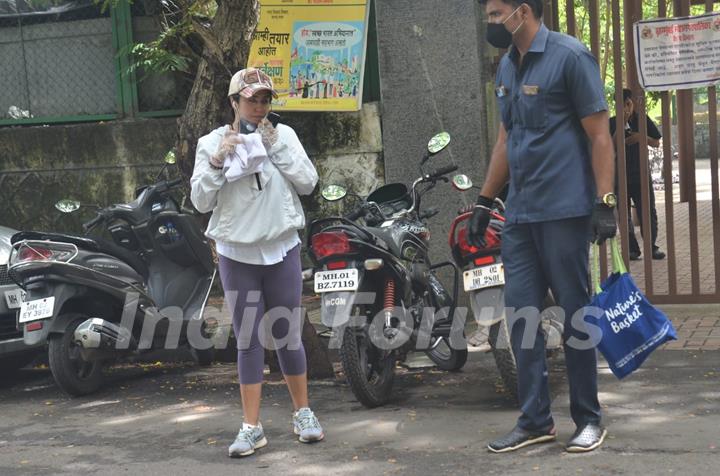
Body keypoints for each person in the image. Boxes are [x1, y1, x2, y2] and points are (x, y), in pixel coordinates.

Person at [471, 0, 616, 453]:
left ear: (523, 11)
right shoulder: (506, 69)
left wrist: (604, 201)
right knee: (522, 317)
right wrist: (484, 199)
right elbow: (505, 139)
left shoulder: (570, 57)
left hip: (565, 210)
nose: (490, 22)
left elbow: (599, 134)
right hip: (520, 214)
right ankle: (535, 419)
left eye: (496, 14)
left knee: (575, 315)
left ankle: (588, 418)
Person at [190, 68, 323, 458]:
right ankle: (251, 427)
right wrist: (218, 160)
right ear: (234, 102)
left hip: (281, 246)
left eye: (265, 99)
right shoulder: (211, 141)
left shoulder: (284, 136)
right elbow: (200, 201)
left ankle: (304, 414)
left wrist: (275, 145)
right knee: (248, 339)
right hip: (237, 252)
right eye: (251, 99)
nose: (259, 107)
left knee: (286, 332)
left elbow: (308, 182)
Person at [609, 88, 666, 260]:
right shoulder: (612, 122)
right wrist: (622, 122)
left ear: (632, 102)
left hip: (641, 173)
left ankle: (651, 247)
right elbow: (610, 146)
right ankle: (632, 249)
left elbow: (656, 143)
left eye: (628, 103)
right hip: (620, 176)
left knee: (648, 211)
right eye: (622, 104)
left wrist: (641, 137)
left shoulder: (642, 120)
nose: (626, 107)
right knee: (623, 214)